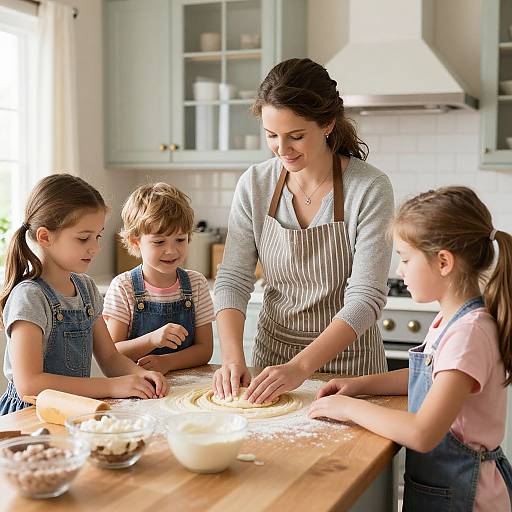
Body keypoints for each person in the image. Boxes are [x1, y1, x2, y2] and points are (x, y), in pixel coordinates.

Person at [309, 186, 512, 511]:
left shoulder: (469, 333)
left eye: (405, 259)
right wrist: (360, 385)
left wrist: (347, 408)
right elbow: (430, 376)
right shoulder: (451, 321)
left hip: (467, 498)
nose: (400, 271)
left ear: (443, 261)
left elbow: (422, 433)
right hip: (442, 488)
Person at [213, 58, 394, 403]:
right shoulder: (255, 183)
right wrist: (233, 358)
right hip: (272, 365)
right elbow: (234, 278)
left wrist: (301, 367)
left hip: (352, 372)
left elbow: (365, 298)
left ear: (327, 124)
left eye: (296, 136)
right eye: (271, 136)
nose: (283, 149)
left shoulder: (369, 187)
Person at [0, 174, 169, 415]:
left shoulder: (86, 288)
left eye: (97, 236)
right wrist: (111, 387)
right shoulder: (29, 297)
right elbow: (30, 384)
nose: (95, 247)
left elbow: (110, 357)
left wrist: (141, 376)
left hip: (74, 410)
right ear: (45, 237)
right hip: (28, 415)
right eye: (83, 238)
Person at [103, 183, 214, 375]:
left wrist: (167, 362)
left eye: (180, 239)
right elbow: (112, 353)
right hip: (139, 388)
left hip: (186, 385)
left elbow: (205, 350)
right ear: (135, 241)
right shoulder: (123, 287)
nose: (171, 250)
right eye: (159, 242)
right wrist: (152, 340)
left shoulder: (196, 284)